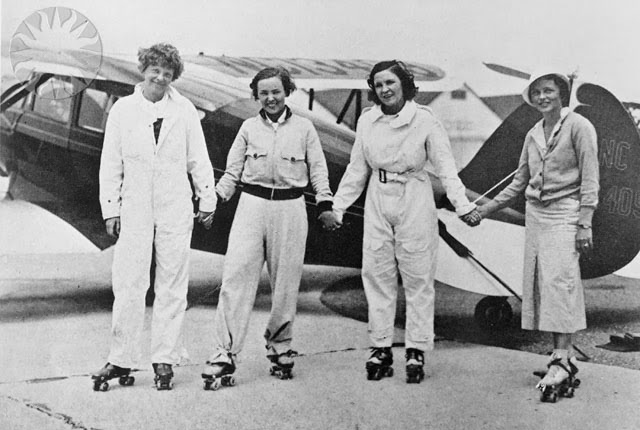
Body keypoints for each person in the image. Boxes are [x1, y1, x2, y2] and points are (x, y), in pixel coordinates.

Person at [319, 60, 481, 384]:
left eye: (390, 83)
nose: (385, 90)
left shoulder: (425, 121)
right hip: (378, 198)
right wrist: (337, 208)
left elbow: (446, 167)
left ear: (404, 85)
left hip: (415, 197)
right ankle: (379, 347)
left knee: (418, 278)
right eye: (378, 85)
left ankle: (416, 350)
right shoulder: (368, 121)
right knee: (376, 274)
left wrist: (463, 206)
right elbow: (356, 170)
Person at [93, 43, 217, 391]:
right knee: (129, 282)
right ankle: (121, 358)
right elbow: (111, 163)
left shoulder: (185, 110)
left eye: (167, 72)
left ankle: (165, 359)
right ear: (143, 70)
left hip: (175, 206)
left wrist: (207, 197)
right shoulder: (123, 110)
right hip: (134, 208)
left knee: (173, 284)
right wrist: (110, 208)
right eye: (155, 70)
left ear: (173, 76)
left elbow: (198, 157)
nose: (160, 77)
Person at [201, 67, 333, 388]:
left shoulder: (305, 128)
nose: (270, 98)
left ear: (287, 91)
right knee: (235, 278)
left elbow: (318, 170)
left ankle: (281, 347)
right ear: (256, 95)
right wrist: (215, 200)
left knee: (286, 282)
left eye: (276, 91)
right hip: (251, 205)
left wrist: (326, 203)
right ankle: (224, 354)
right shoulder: (247, 128)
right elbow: (232, 173)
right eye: (264, 93)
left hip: (290, 207)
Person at [476, 70, 599, 401]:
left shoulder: (580, 127)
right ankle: (562, 357)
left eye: (548, 90)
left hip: (565, 214)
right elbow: (518, 182)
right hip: (537, 216)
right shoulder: (533, 133)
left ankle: (562, 358)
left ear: (561, 92)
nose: (543, 97)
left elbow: (590, 177)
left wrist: (585, 221)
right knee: (543, 285)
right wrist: (482, 210)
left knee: (561, 284)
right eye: (537, 92)